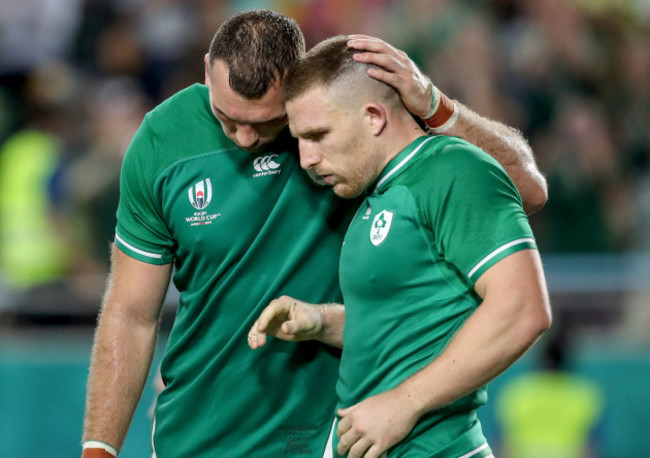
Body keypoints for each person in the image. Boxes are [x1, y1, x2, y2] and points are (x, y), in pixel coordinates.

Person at [82, 9, 547, 458]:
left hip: (336, 432)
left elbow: (518, 189)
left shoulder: (356, 133)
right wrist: (100, 448)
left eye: (266, 122)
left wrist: (434, 104)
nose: (244, 139)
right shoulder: (164, 140)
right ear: (207, 71)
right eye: (227, 118)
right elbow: (130, 312)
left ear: (297, 83)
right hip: (199, 433)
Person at [248, 35, 552, 458]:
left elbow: (523, 310)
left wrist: (404, 403)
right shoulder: (380, 194)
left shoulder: (452, 169)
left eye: (318, 135)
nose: (306, 159)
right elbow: (402, 329)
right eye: (300, 139)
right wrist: (320, 320)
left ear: (373, 116)